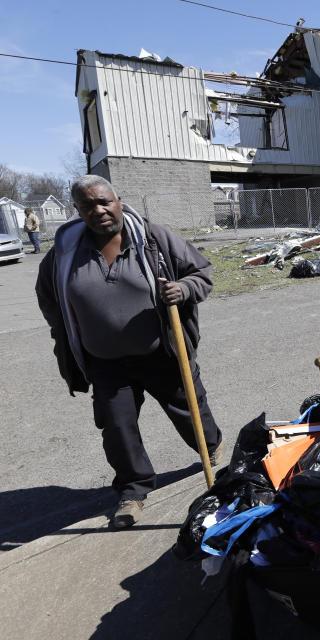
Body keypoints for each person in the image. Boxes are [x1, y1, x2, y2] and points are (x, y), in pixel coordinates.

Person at [36, 175, 223, 528]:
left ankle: (211, 447)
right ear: (77, 211)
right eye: (88, 205)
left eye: (104, 201)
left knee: (189, 409)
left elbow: (202, 272)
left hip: (161, 353)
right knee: (117, 427)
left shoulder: (152, 238)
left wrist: (183, 289)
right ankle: (133, 489)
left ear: (118, 200)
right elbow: (48, 296)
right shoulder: (64, 252)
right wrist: (66, 330)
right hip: (105, 361)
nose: (99, 210)